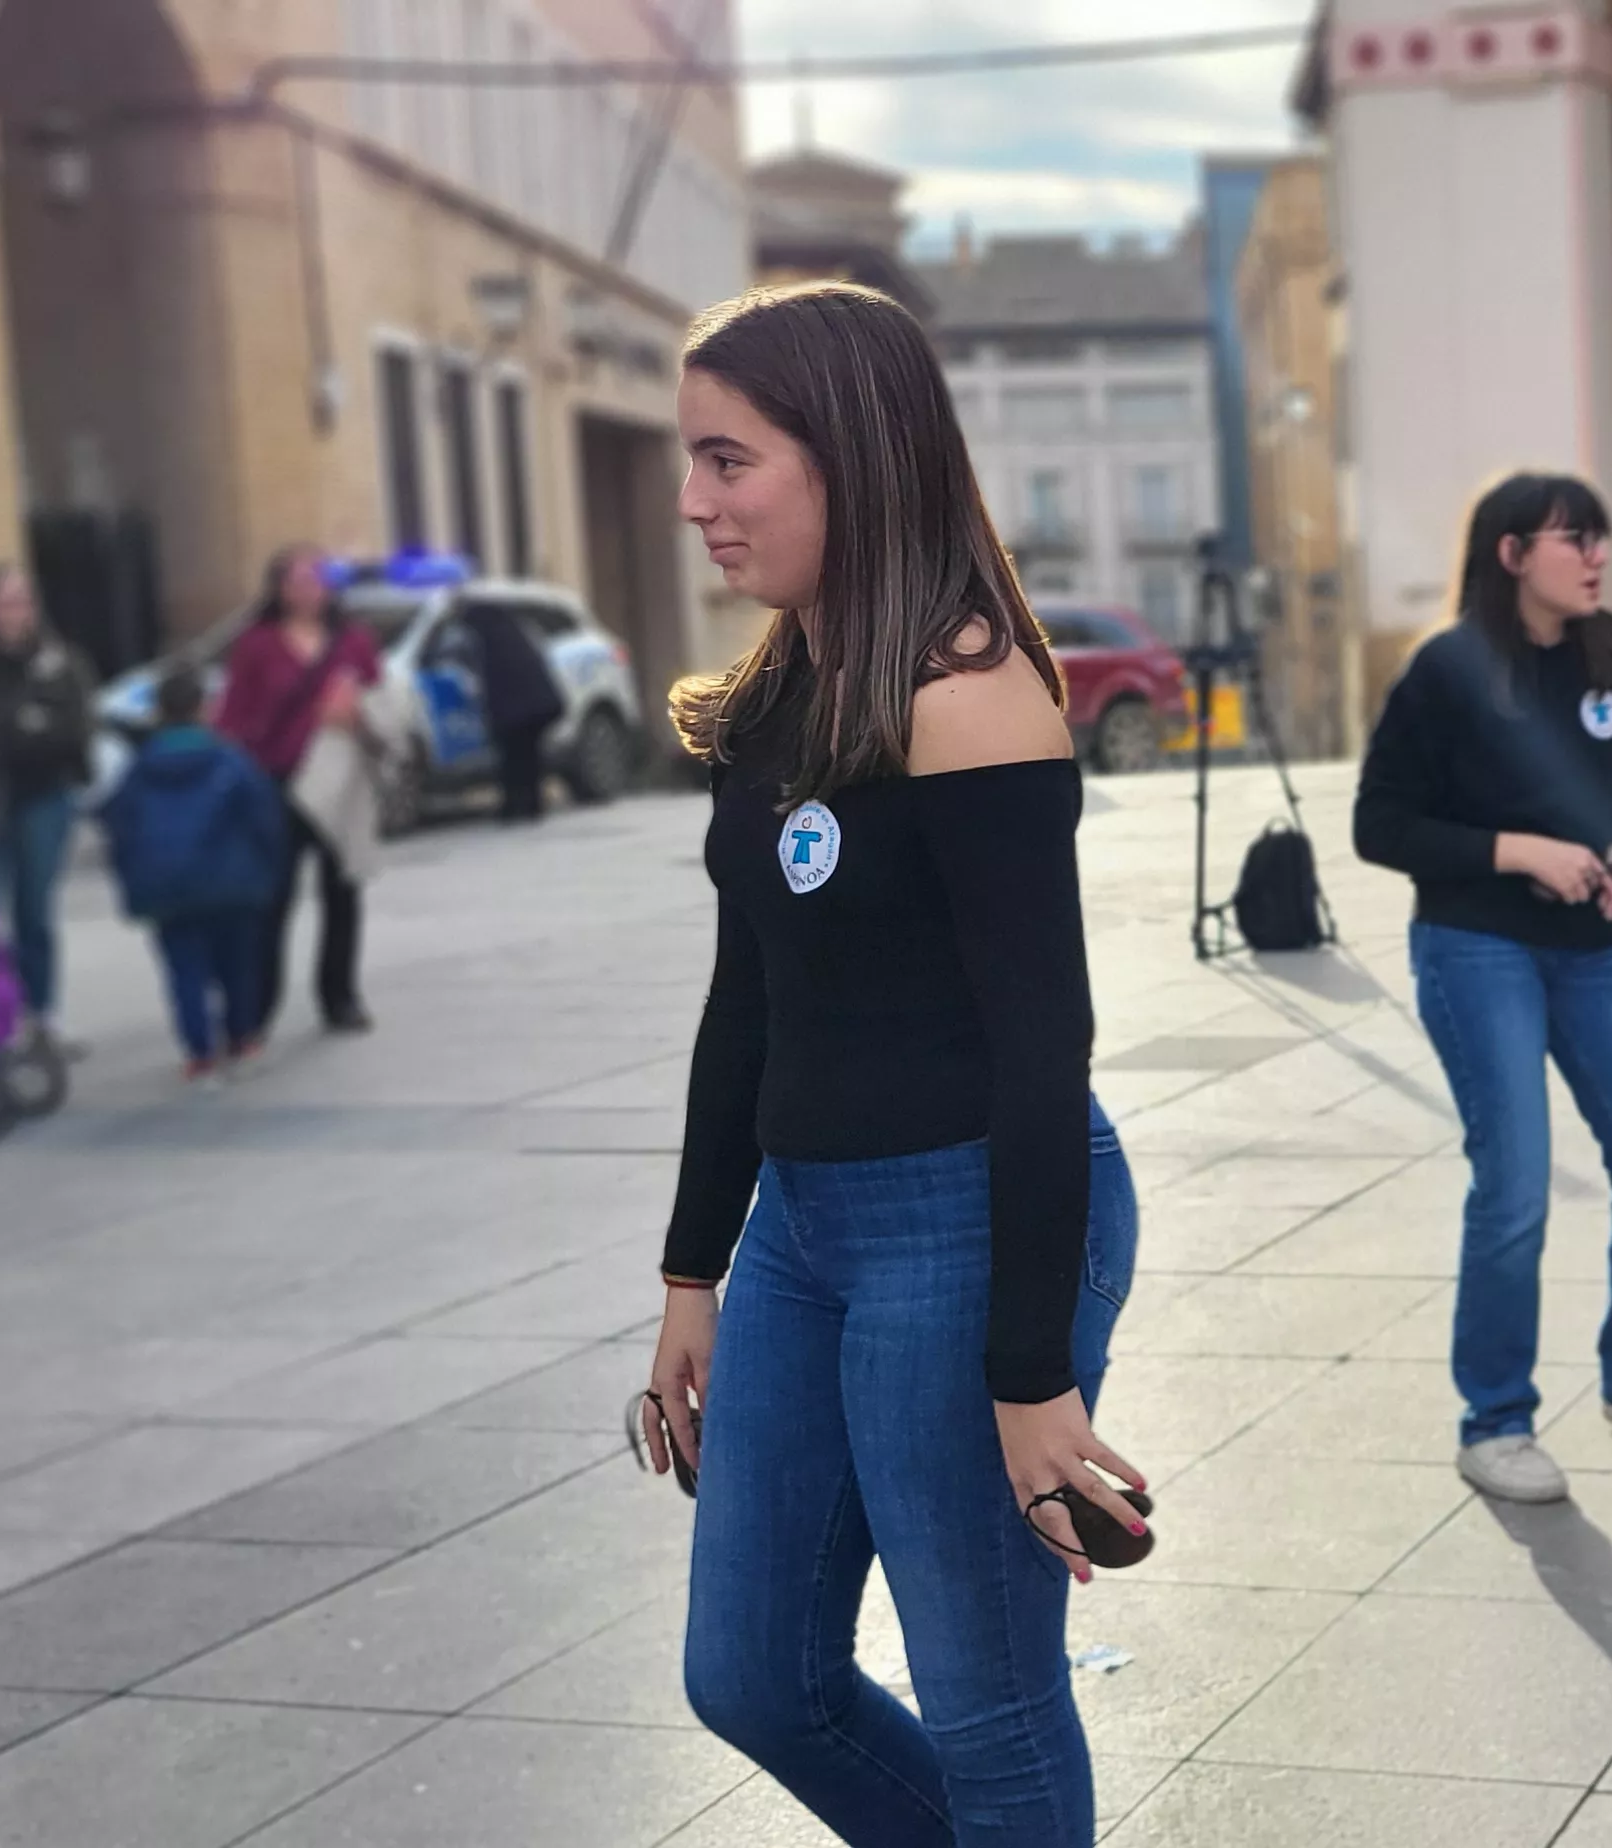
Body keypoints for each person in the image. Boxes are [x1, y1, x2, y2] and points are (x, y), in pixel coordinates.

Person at [638, 279, 1146, 1845]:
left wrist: (1031, 1369)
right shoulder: (781, 692)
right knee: (753, 1677)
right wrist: (690, 1273)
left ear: (846, 456)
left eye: (730, 460)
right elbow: (751, 1000)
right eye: (692, 462)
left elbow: (1040, 1046)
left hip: (966, 1222)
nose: (694, 500)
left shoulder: (971, 694)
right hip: (803, 1235)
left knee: (989, 1709)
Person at [1351, 469, 1612, 1505]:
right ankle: (1495, 1420)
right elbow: (1379, 826)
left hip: (1587, 952)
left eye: (1599, 540)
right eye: (1573, 539)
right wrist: (1521, 850)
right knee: (1517, 1186)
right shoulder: (1445, 670)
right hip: (1475, 948)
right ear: (1511, 553)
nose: (1595, 557)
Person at [215, 544, 382, 1041]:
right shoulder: (256, 644)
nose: (308, 589)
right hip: (277, 783)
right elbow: (233, 715)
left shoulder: (355, 640)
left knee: (343, 891)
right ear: (278, 589)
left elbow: (383, 698)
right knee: (271, 899)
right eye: (296, 580)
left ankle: (340, 996)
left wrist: (359, 713)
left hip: (340, 779)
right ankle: (258, 1005)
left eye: (316, 579)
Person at [96, 670, 287, 1082]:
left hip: (167, 887)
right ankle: (241, 1035)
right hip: (233, 883)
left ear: (158, 713)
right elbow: (264, 819)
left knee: (184, 969)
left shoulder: (138, 770)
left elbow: (118, 825)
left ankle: (198, 1050)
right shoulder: (232, 761)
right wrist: (270, 868)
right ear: (206, 708)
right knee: (238, 964)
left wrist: (131, 878)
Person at [0, 563, 96, 1039]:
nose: (16, 613)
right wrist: (25, 724)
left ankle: (41, 1011)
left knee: (34, 911)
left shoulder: (62, 664)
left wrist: (19, 730)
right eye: (5, 602)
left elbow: (72, 732)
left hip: (44, 798)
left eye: (23, 601)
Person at [460, 596, 568, 822]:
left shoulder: (490, 641)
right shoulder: (512, 632)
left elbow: (492, 685)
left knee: (514, 758)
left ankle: (516, 806)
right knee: (528, 757)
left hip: (521, 713)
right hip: (538, 708)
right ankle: (530, 805)